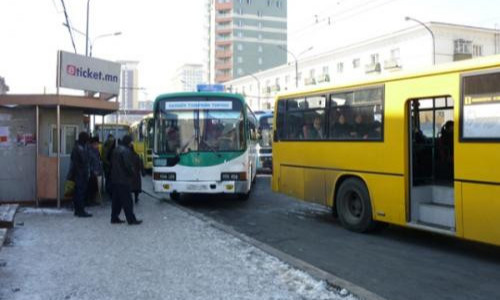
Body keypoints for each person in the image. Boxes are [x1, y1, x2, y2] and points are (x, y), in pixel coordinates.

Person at [110, 135, 142, 225]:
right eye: (131, 142)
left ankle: (114, 217)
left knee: (116, 200)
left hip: (115, 178)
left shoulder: (116, 149)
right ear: (128, 142)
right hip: (123, 179)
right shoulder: (126, 151)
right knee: (128, 200)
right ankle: (131, 219)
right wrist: (133, 173)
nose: (132, 143)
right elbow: (128, 165)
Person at [70, 131, 92, 217]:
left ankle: (77, 210)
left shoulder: (79, 146)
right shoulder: (80, 148)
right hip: (80, 173)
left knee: (78, 192)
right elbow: (84, 160)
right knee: (80, 192)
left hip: (79, 172)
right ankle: (81, 211)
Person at [87, 136, 103, 205]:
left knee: (95, 188)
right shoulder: (89, 151)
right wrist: (93, 170)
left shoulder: (96, 151)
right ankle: (89, 201)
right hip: (91, 173)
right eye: (96, 144)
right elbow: (88, 163)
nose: (97, 145)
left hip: (97, 172)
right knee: (90, 188)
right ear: (92, 144)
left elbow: (98, 161)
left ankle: (93, 200)